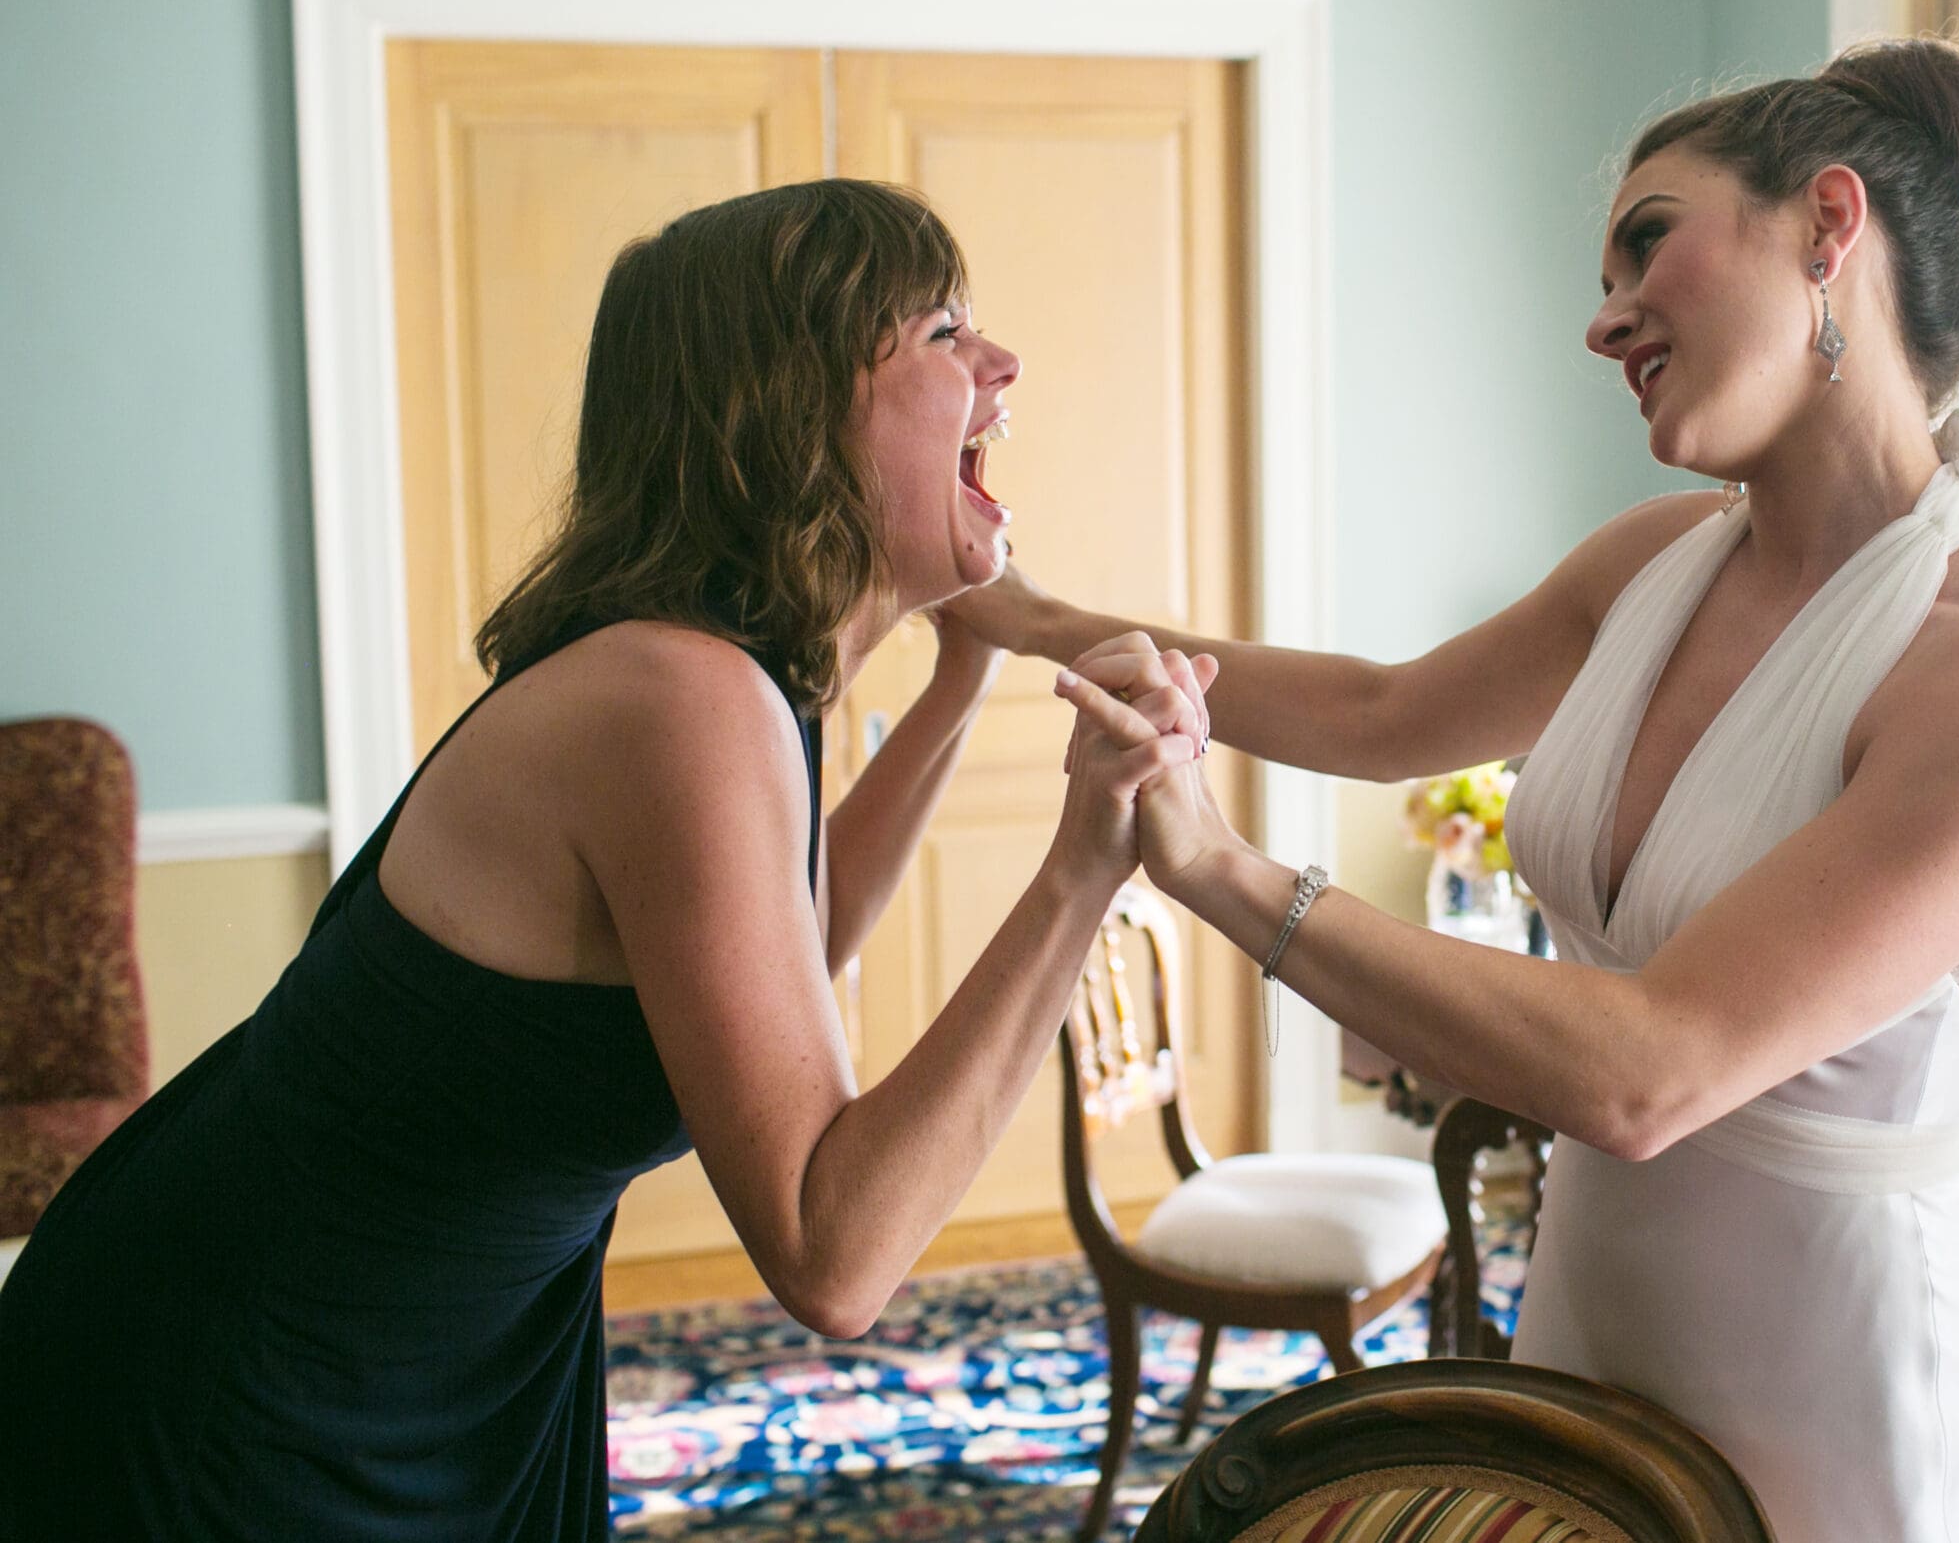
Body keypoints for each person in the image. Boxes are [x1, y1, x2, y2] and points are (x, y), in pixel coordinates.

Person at [959, 39, 1959, 1541]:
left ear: (1828, 225)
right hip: (1596, 1301)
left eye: (1648, 238)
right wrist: (1018, 617)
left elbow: (1652, 1069)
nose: (1602, 320)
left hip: (1835, 1368)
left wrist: (1222, 870)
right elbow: (1380, 709)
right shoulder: (1651, 563)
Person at [0, 180, 1212, 1540]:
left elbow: (790, 954)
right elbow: (838, 1251)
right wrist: (1083, 862)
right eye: (942, 332)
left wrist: (957, 679)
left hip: (439, 1341)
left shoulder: (743, 674)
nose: (1002, 365)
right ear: (794, 410)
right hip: (245, 1371)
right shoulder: (679, 697)